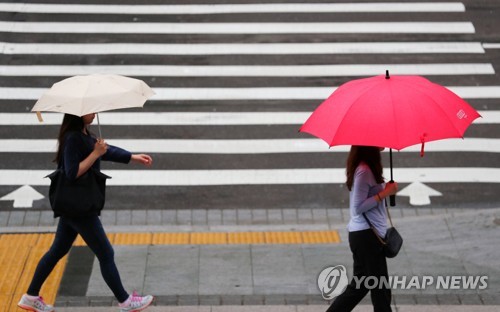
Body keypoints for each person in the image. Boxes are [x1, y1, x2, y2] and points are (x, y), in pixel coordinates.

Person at [18, 113, 154, 312]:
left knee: (57, 251)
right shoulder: (73, 138)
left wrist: (132, 157)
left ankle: (30, 296)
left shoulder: (81, 133)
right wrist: (95, 154)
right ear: (79, 114)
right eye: (91, 111)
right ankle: (125, 302)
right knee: (106, 253)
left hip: (73, 205)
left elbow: (105, 150)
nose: (95, 113)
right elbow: (73, 172)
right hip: (79, 207)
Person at [327, 146, 398, 312]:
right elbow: (358, 207)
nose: (383, 142)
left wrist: (386, 191)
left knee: (362, 286)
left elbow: (371, 201)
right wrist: (384, 193)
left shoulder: (368, 168)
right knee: (379, 289)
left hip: (367, 236)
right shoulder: (364, 170)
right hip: (367, 237)